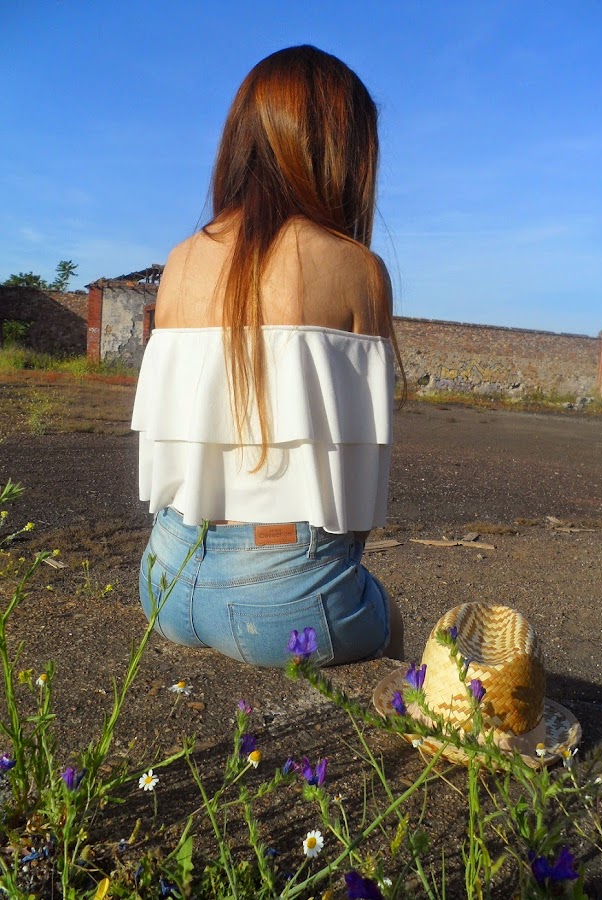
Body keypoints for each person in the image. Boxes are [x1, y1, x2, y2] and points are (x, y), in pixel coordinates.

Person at [131, 45, 404, 667]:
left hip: (164, 576)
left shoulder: (179, 261)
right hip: (285, 602)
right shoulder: (357, 269)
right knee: (392, 623)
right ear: (343, 153)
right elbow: (357, 503)